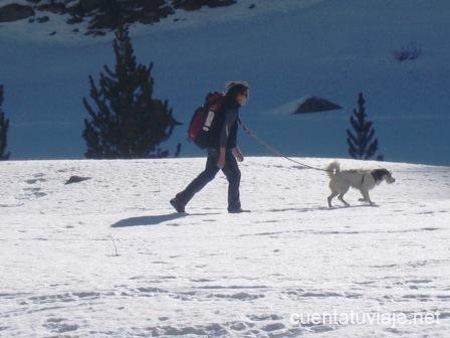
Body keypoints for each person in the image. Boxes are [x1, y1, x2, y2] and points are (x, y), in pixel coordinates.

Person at [170, 82, 249, 213]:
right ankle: (234, 206)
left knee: (208, 175)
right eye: (245, 94)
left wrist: (235, 149)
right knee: (235, 175)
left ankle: (181, 200)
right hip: (219, 148)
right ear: (238, 95)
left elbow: (227, 133)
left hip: (212, 146)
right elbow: (224, 133)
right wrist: (223, 155)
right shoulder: (230, 108)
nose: (246, 97)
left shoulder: (225, 105)